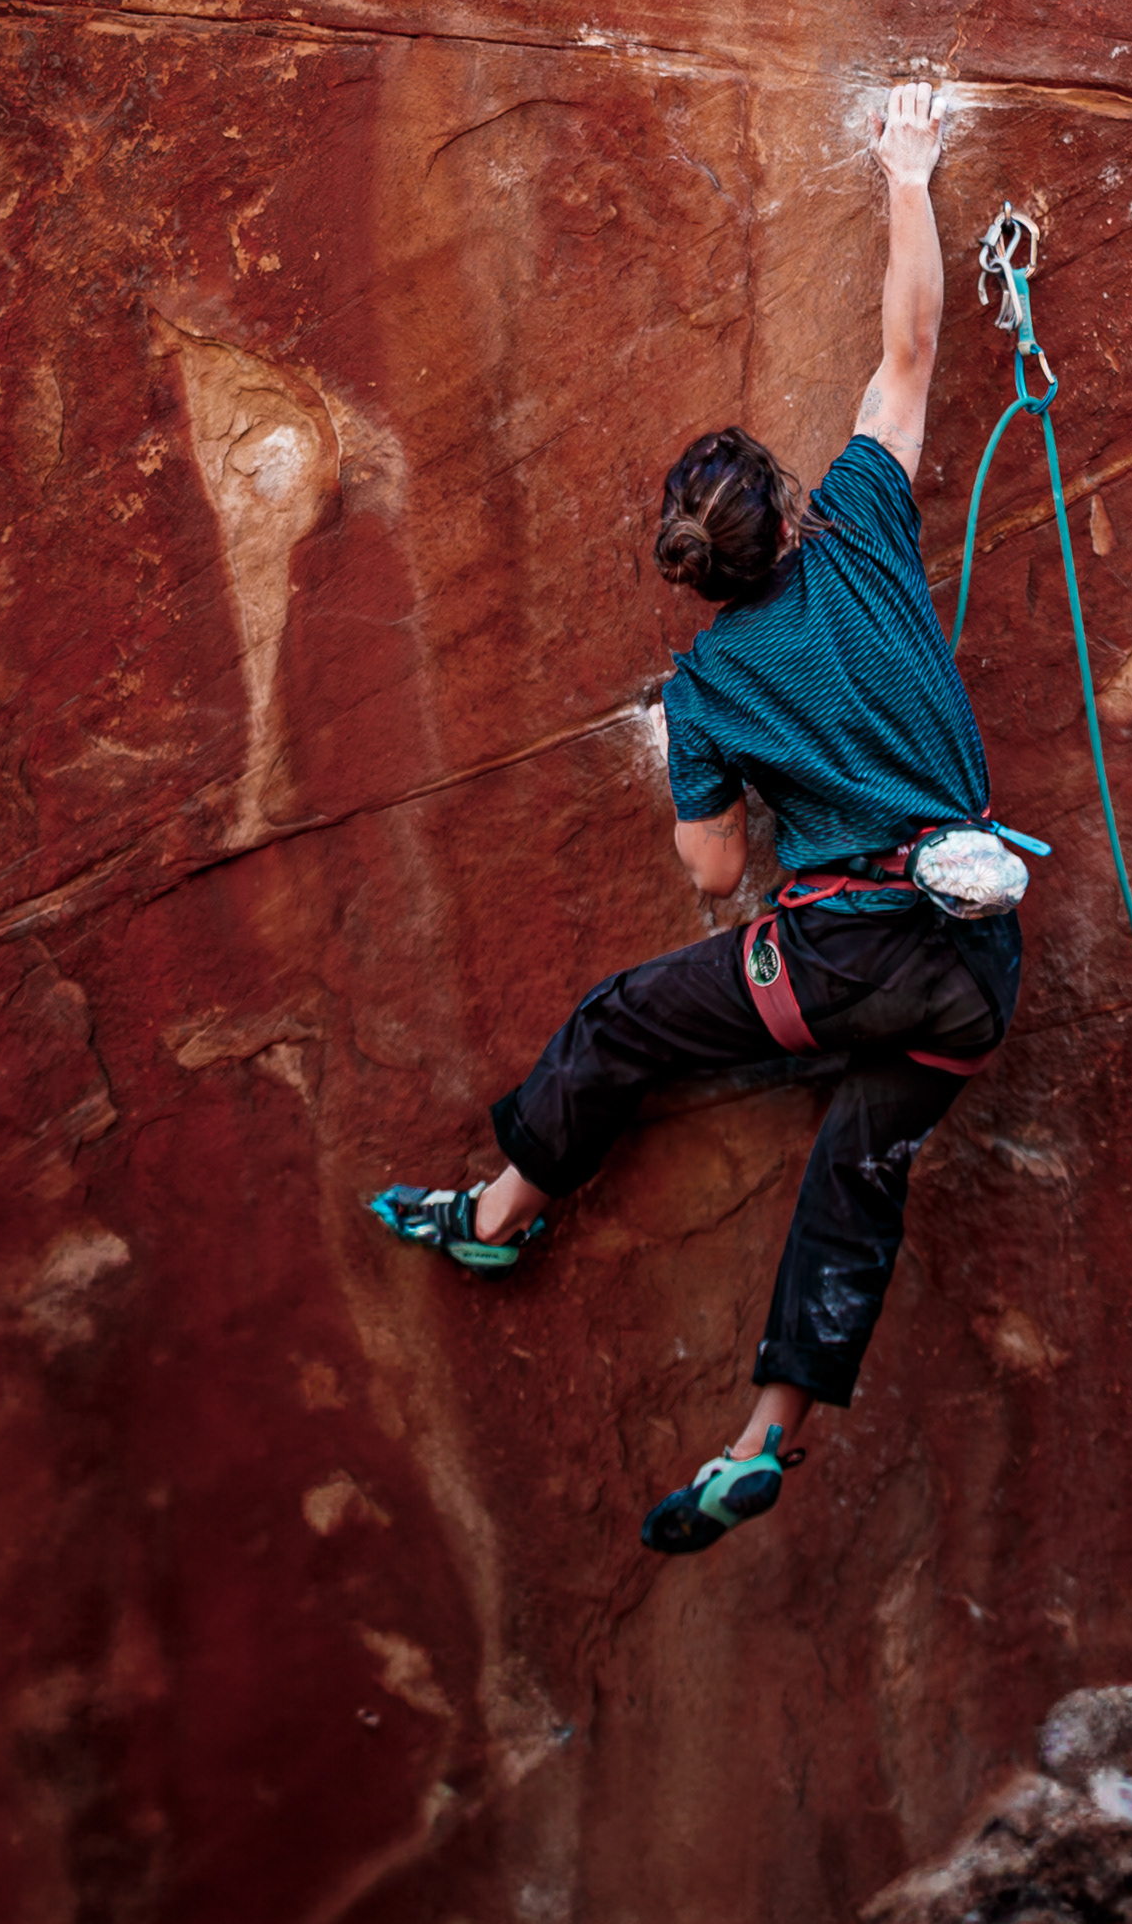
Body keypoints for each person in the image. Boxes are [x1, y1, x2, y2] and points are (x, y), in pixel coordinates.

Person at [366, 79, 1025, 1554]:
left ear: (696, 574)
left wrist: (698, 752)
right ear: (786, 503)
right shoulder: (860, 521)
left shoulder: (710, 682)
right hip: (974, 964)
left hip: (848, 952)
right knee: (857, 1176)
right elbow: (909, 349)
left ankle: (495, 1218)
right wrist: (908, 168)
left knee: (619, 1027)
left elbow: (716, 873)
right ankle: (763, 1437)